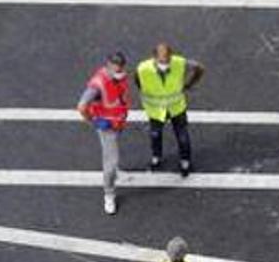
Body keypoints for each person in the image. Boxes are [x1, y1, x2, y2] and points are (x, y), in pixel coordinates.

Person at [135, 43, 205, 176]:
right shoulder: (143, 69)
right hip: (156, 110)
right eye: (162, 61)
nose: (165, 63)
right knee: (155, 135)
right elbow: (138, 82)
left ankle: (185, 161)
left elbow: (199, 68)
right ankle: (157, 157)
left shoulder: (178, 62)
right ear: (154, 58)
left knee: (183, 137)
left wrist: (189, 84)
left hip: (176, 107)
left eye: (167, 60)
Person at [77, 52, 130, 216]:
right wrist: (93, 121)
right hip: (107, 126)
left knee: (111, 158)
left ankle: (114, 175)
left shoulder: (118, 76)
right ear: (108, 65)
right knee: (111, 162)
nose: (119, 70)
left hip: (117, 122)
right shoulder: (98, 85)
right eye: (116, 66)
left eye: (121, 67)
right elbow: (81, 106)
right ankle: (109, 194)